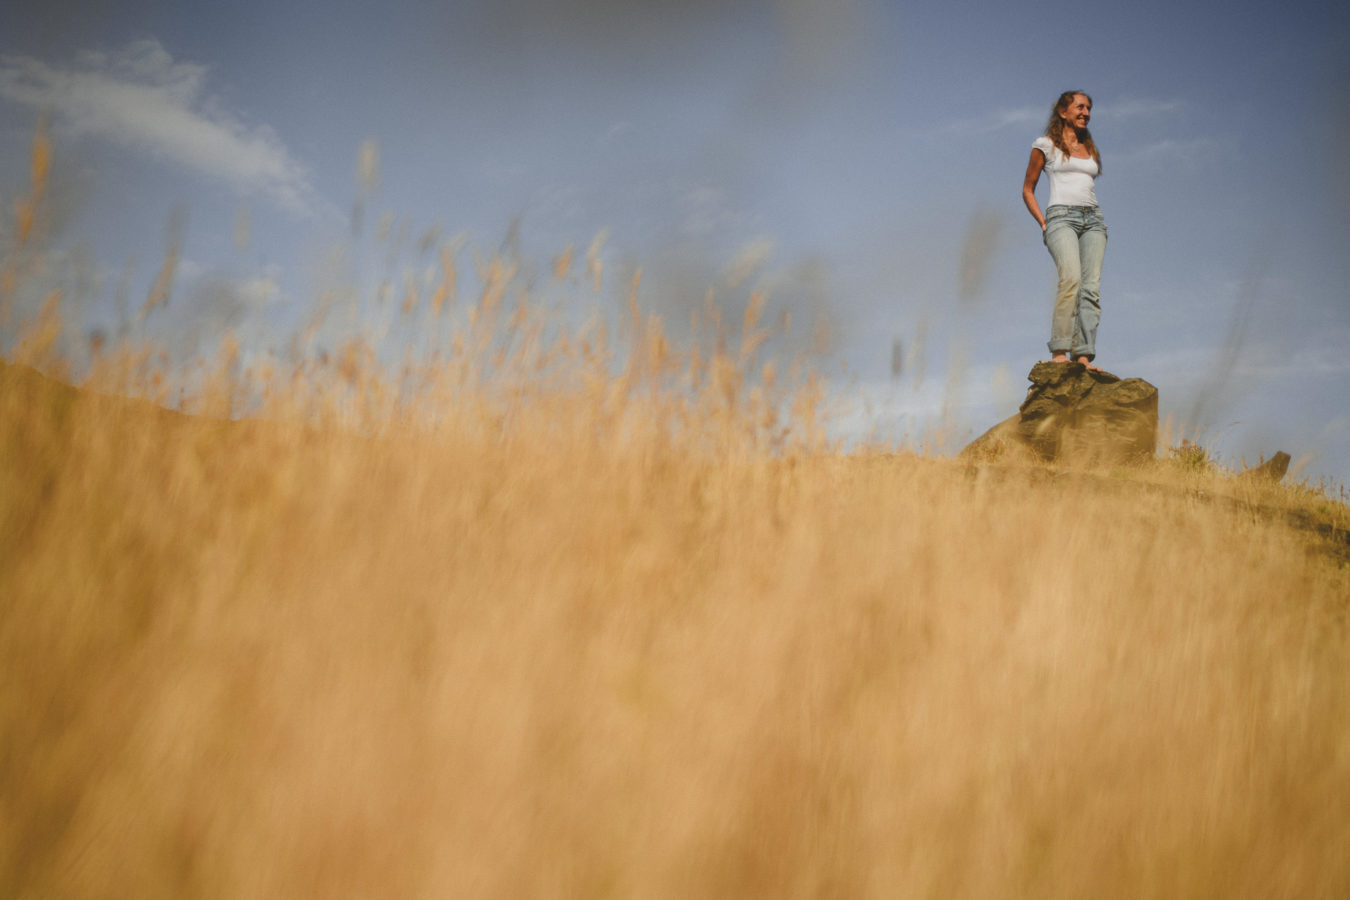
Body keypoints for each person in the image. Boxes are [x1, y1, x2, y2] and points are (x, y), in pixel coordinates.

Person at [1022, 90, 1107, 368]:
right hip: (1061, 218)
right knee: (1070, 279)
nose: (1086, 112)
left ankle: (1082, 355)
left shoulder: (1090, 148)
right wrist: (1044, 222)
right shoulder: (1044, 145)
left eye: (1089, 108)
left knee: (1090, 288)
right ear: (1063, 112)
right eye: (1080, 107)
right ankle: (1059, 352)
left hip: (1093, 220)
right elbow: (1027, 190)